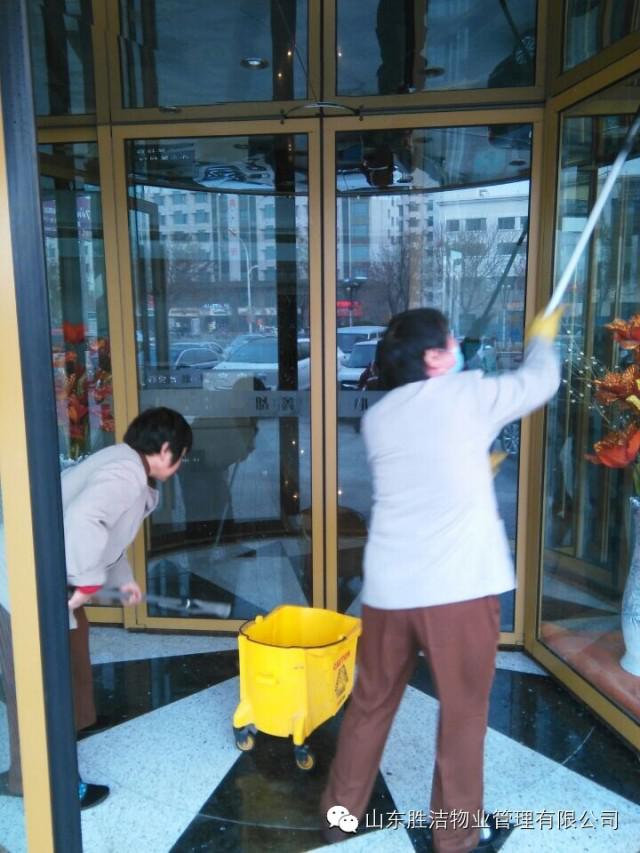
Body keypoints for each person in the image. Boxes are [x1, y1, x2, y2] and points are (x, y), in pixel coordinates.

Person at [320, 307, 562, 852]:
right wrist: (543, 341)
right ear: (434, 357)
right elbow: (539, 382)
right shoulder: (468, 396)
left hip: (389, 591)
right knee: (463, 714)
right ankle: (455, 838)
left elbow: (425, 464)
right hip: (457, 592)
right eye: (449, 341)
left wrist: (473, 465)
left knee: (370, 705)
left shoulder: (380, 417)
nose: (457, 347)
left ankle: (338, 817)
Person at [64, 406, 192, 809]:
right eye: (182, 456)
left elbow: (108, 535)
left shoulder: (127, 467)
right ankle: (59, 784)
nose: (181, 465)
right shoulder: (125, 473)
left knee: (73, 656)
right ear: (166, 449)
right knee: (51, 682)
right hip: (32, 583)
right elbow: (82, 521)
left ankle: (75, 726)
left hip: (54, 580)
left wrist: (124, 581)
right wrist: (88, 580)